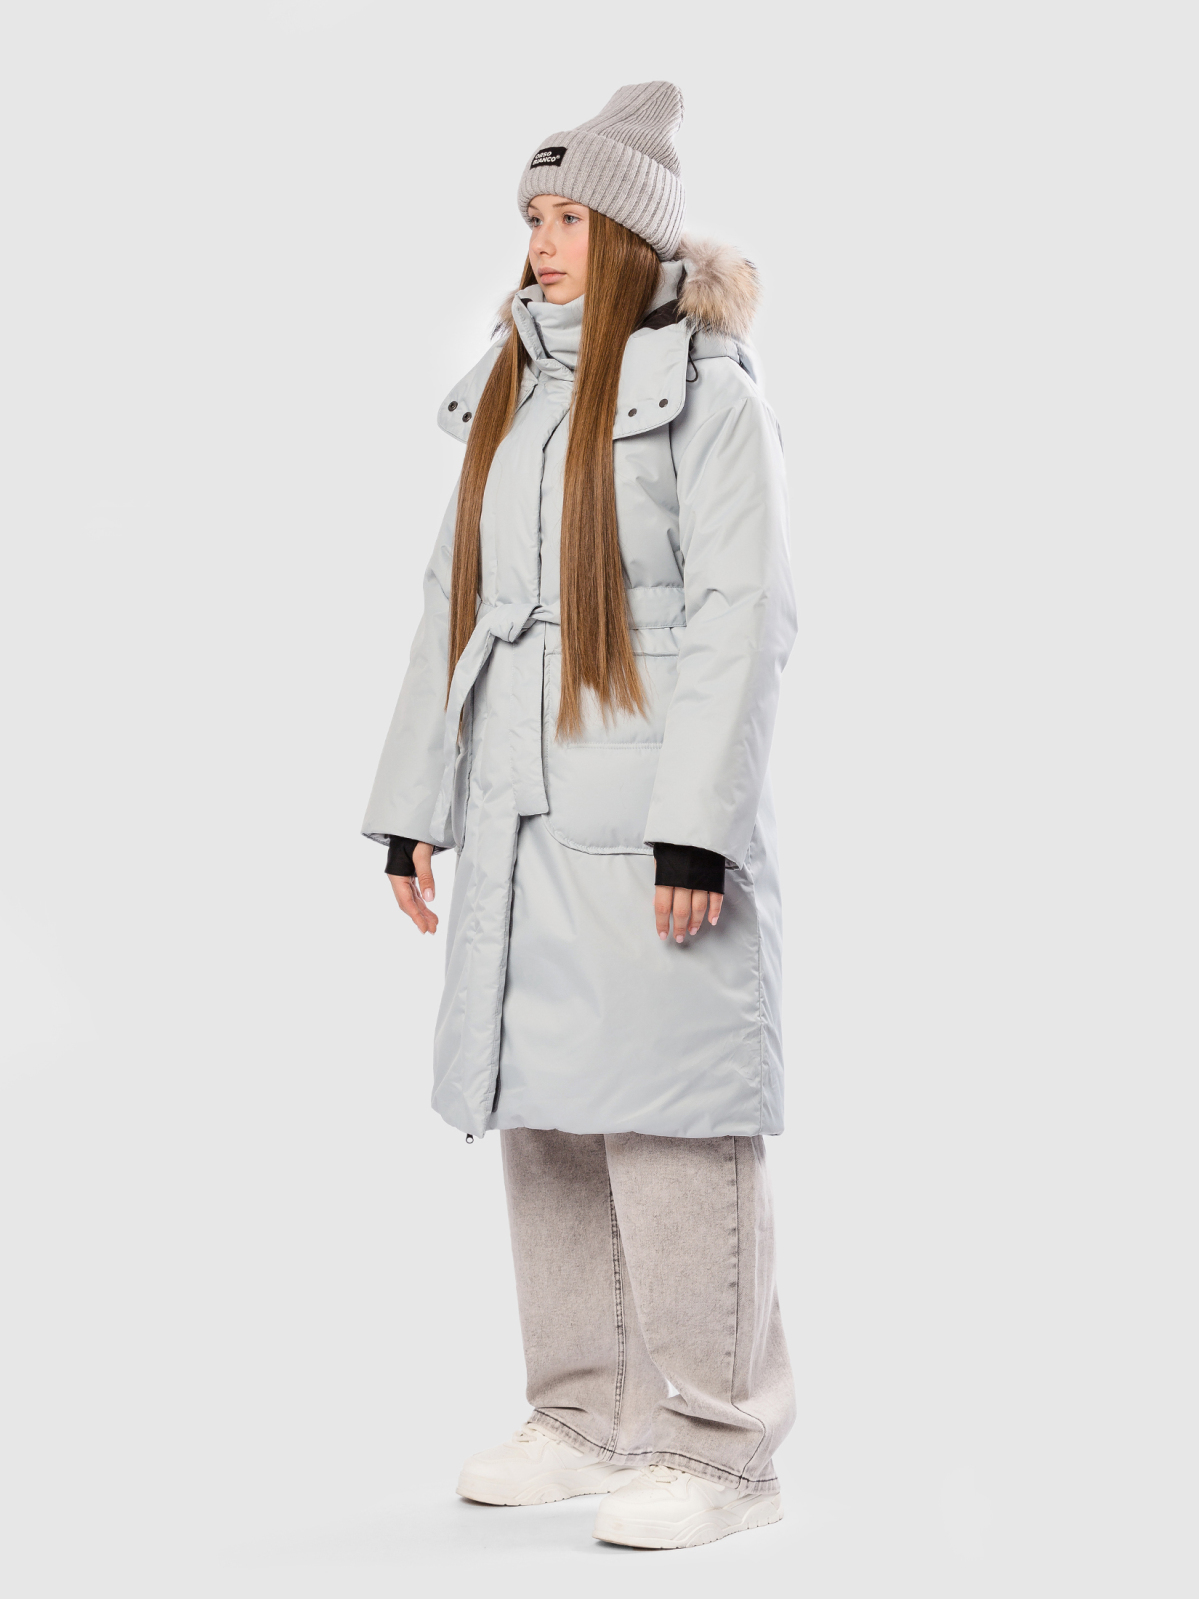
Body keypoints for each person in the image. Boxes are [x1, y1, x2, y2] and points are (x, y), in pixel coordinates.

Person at [363, 81, 797, 1551]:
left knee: (674, 1121)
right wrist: (415, 806)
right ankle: (584, 1414)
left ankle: (723, 1449)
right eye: (534, 216)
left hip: (647, 820)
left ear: (631, 237)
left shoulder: (711, 399)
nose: (543, 241)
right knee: (544, 1114)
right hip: (517, 809)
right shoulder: (513, 389)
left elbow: (744, 617)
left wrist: (699, 829)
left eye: (570, 217)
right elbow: (454, 602)